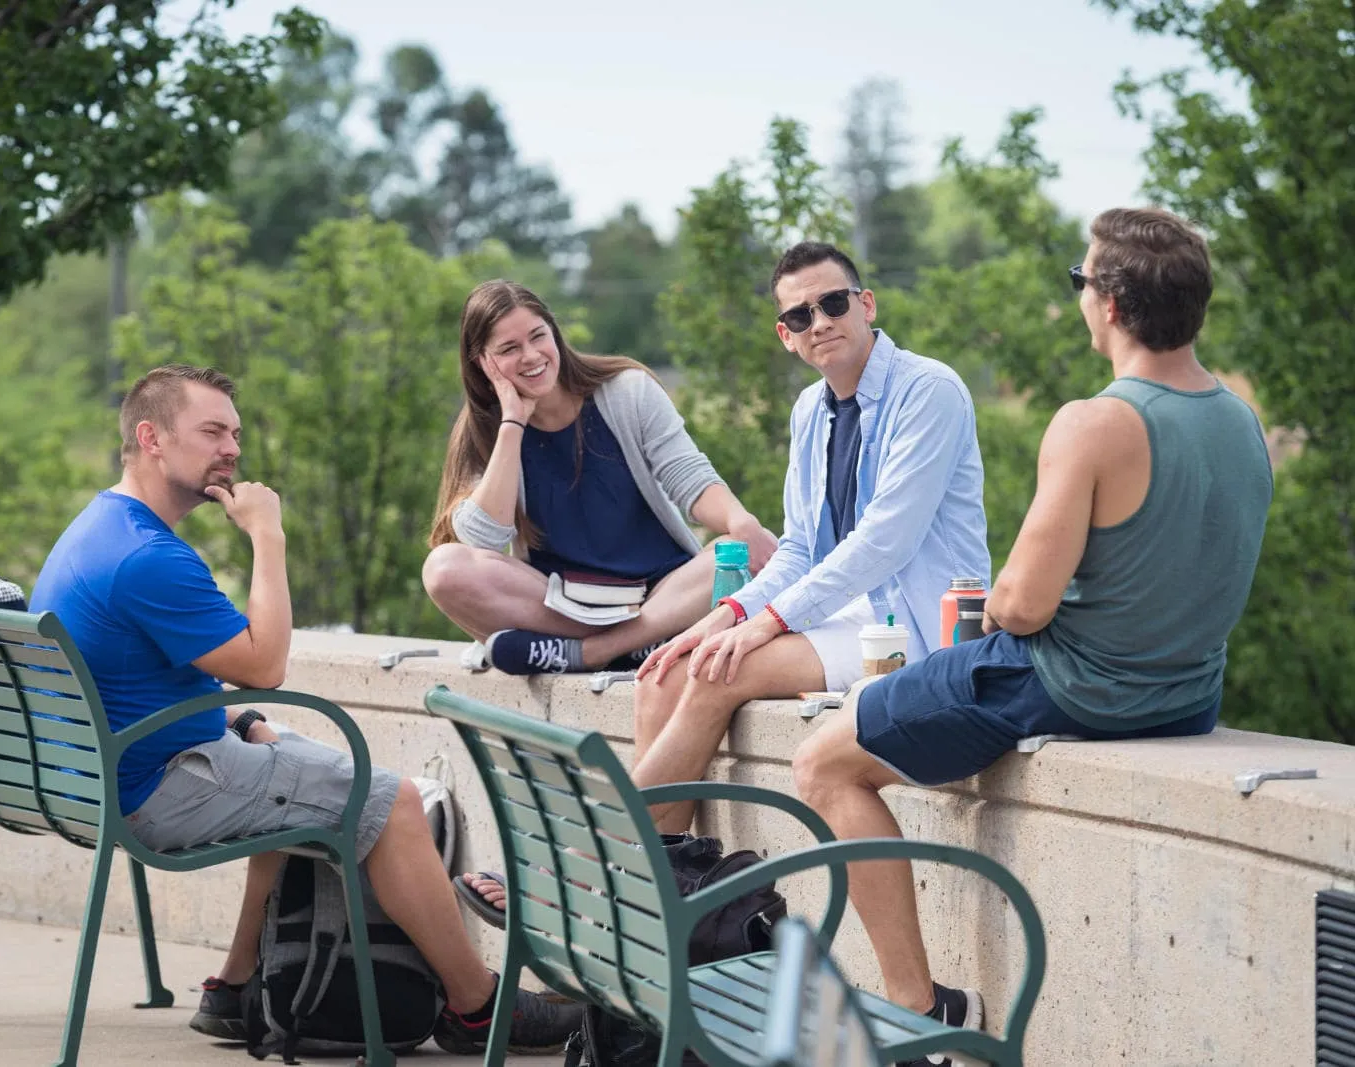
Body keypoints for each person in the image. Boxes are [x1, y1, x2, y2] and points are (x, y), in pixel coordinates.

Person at [789, 207, 1273, 1066]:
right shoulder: (1240, 422)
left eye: (1081, 281)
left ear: (1112, 307)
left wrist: (1007, 596)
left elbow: (1018, 607)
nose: (1080, 296)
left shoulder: (1093, 423)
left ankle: (923, 1011)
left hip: (1063, 682)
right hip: (1188, 699)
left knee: (823, 760)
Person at [29, 364, 581, 1054]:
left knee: (285, 755)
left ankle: (232, 988)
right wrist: (268, 535)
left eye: (234, 430)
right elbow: (264, 665)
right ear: (152, 438)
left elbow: (137, 681)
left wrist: (241, 721)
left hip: (100, 774)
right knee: (392, 801)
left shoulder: (96, 527)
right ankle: (478, 1006)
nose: (232, 447)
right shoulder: (148, 557)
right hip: (154, 788)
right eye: (211, 431)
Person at [627, 241, 990, 836]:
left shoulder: (930, 390)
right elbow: (799, 548)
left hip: (915, 627)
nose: (820, 322)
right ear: (785, 335)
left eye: (833, 303)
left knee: (719, 671)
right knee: (666, 671)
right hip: (846, 614)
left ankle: (600, 855)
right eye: (801, 315)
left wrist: (767, 622)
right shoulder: (809, 410)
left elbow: (884, 544)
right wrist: (724, 616)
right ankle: (670, 871)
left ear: (866, 304)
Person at [422, 279, 779, 677]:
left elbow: (687, 476)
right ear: (482, 363)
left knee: (736, 551)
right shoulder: (482, 432)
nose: (530, 356)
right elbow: (481, 542)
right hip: (562, 605)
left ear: (554, 334)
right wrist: (511, 425)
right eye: (508, 349)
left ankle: (599, 652)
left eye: (538, 336)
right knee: (443, 569)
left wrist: (741, 522)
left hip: (663, 595)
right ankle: (633, 646)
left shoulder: (628, 391)